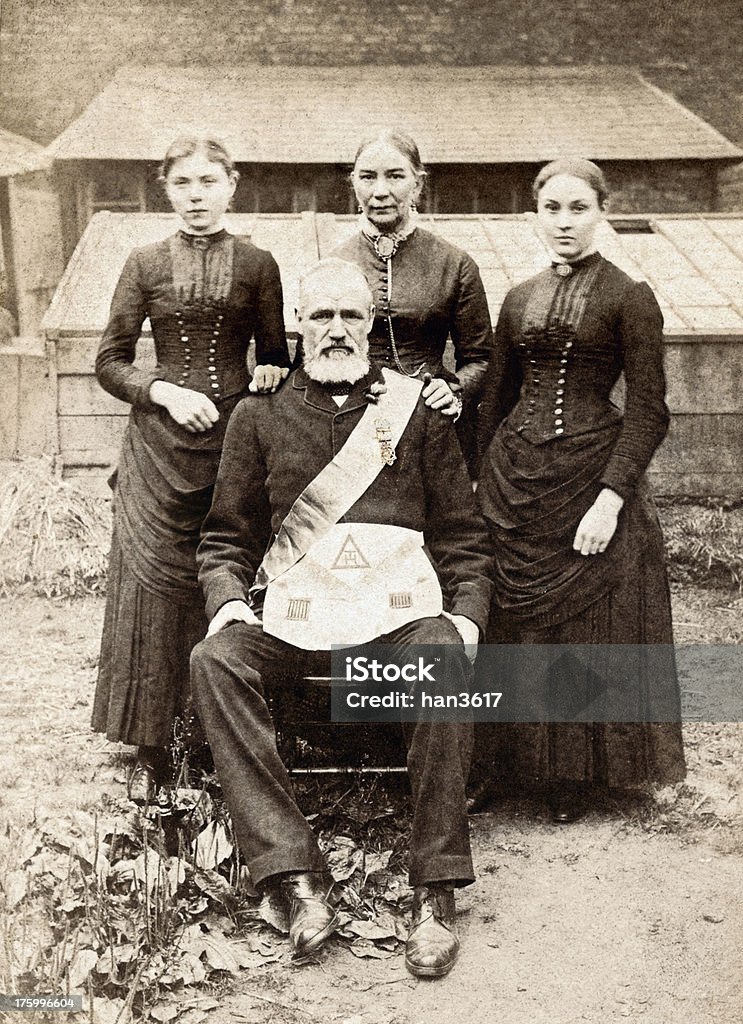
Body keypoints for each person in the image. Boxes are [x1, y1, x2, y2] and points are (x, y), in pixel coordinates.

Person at [190, 258, 492, 977]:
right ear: (298, 325)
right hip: (295, 629)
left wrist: (467, 617)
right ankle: (294, 880)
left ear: (369, 326)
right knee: (215, 660)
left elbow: (462, 539)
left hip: (393, 625)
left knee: (442, 649)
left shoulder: (411, 410)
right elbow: (225, 539)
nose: (334, 331)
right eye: (320, 316)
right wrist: (229, 599)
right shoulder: (258, 415)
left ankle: (434, 890)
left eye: (349, 317)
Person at [474, 159, 685, 822]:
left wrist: (610, 496)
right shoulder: (515, 296)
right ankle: (504, 767)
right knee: (507, 624)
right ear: (534, 215)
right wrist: (480, 480)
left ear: (600, 211)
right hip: (515, 480)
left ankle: (572, 775)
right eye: (551, 209)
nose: (563, 222)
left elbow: (649, 409)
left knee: (574, 626)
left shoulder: (630, 295)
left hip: (589, 479)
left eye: (577, 208)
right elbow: (496, 399)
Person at [92, 137, 292, 801]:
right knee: (154, 594)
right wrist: (164, 391)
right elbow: (110, 360)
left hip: (233, 446)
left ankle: (215, 735)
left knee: (225, 577)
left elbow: (275, 358)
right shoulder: (143, 261)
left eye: (209, 181)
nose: (197, 195)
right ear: (167, 189)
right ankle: (150, 743)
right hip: (157, 450)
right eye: (183, 183)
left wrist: (270, 372)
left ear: (232, 184)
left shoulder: (260, 263)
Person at [333, 128, 493, 468]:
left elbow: (480, 358)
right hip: (353, 424)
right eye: (367, 177)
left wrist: (454, 389)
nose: (380, 192)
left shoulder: (455, 264)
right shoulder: (334, 264)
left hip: (432, 420)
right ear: (353, 182)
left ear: (418, 183)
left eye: (395, 176)